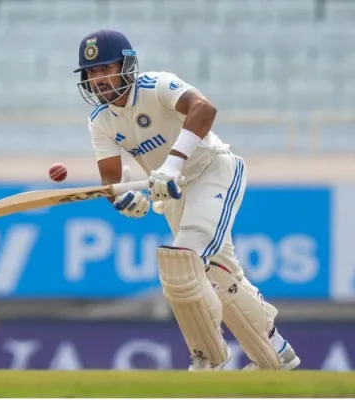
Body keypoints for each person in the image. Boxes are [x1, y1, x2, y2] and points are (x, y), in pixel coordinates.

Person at [73, 29, 300, 371]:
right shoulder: (100, 120)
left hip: (212, 171)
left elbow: (204, 109)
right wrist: (123, 200)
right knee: (220, 274)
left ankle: (207, 358)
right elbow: (110, 181)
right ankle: (274, 350)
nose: (98, 79)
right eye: (91, 73)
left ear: (127, 65)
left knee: (184, 261)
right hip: (174, 194)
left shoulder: (156, 86)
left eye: (105, 68)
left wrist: (172, 164)